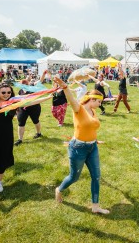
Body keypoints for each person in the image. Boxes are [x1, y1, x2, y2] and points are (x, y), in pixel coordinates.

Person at [52, 77, 110, 214]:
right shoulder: (79, 109)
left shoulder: (93, 111)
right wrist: (65, 87)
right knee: (74, 177)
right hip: (78, 148)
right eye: (99, 101)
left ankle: (95, 206)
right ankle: (59, 190)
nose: (100, 104)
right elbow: (72, 100)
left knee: (96, 176)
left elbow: (90, 128)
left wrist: (94, 140)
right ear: (92, 99)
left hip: (92, 147)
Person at [15, 72, 47, 146]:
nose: (24, 86)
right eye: (22, 85)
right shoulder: (20, 91)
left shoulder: (33, 88)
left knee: (36, 121)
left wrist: (43, 74)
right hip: (23, 109)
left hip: (34, 108)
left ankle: (38, 133)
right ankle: (20, 139)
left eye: (26, 84)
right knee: (21, 123)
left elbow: (40, 81)